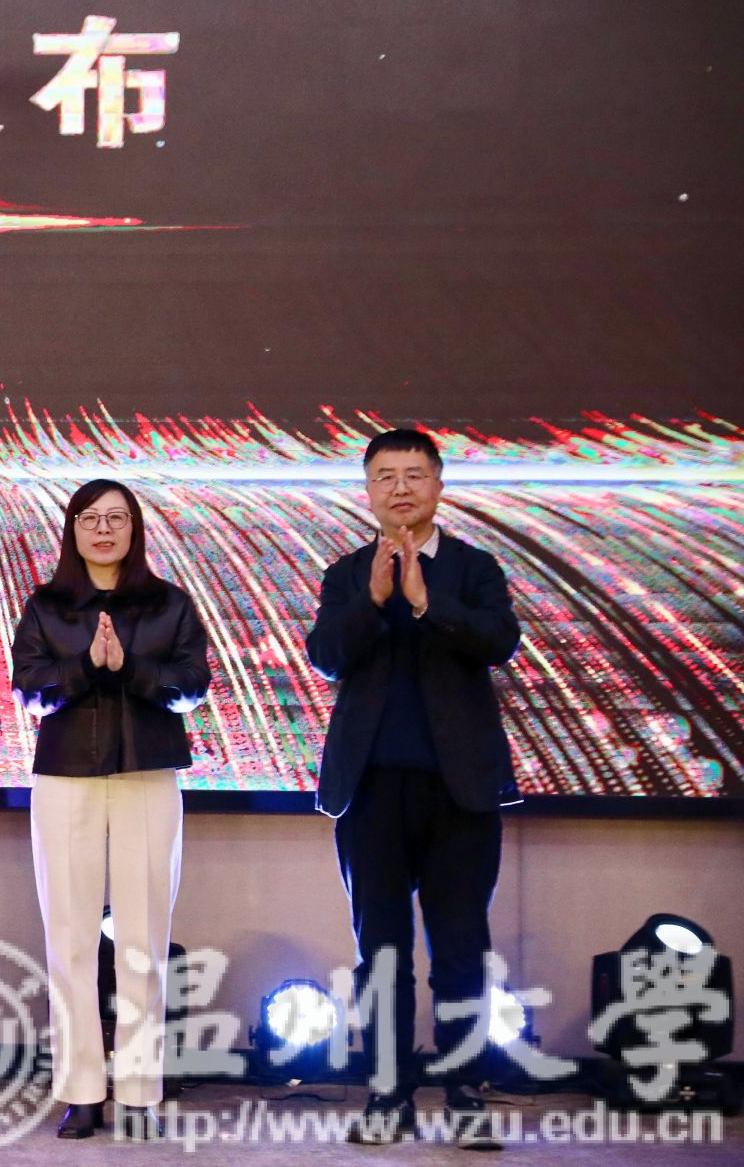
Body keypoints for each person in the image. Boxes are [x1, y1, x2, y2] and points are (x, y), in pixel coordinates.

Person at [305, 428, 521, 1150]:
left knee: (461, 949)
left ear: (438, 485)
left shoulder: (474, 567)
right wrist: (372, 600)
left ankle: (464, 1094)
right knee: (382, 953)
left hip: (461, 790)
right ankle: (388, 1095)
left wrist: (431, 605)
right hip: (370, 790)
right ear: (368, 490)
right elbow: (325, 655)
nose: (400, 488)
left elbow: (500, 641)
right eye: (385, 476)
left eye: (414, 474)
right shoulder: (345, 573)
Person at [11, 479, 210, 1142]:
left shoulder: (169, 603)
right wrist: (84, 668)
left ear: (135, 528)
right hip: (64, 778)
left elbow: (193, 687)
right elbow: (29, 691)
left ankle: (140, 1089)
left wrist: (129, 669)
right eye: (90, 518)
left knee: (144, 941)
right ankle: (81, 1092)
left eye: (116, 518)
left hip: (147, 776)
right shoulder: (47, 605)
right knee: (69, 940)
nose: (103, 529)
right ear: (72, 528)